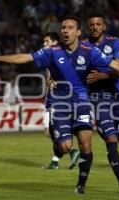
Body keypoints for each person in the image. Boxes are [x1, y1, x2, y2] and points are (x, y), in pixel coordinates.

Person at [0, 15, 119, 194]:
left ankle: (81, 185)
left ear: (78, 32)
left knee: (86, 144)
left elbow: (115, 65)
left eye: (70, 28)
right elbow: (26, 57)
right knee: (65, 147)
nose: (65, 30)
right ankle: (59, 142)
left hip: (81, 102)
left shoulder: (89, 50)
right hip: (60, 105)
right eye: (63, 28)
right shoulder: (52, 51)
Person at [84, 13, 119, 192]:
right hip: (97, 97)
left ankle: (116, 142)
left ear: (103, 26)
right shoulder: (83, 46)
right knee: (111, 139)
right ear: (88, 27)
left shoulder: (115, 42)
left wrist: (102, 75)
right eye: (91, 24)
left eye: (98, 24)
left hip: (118, 95)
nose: (95, 27)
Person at [41, 32, 80, 170]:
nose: (44, 44)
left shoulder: (59, 57)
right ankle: (56, 160)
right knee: (53, 131)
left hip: (57, 101)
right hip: (53, 99)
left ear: (54, 42)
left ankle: (72, 151)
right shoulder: (50, 57)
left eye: (46, 41)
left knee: (49, 131)